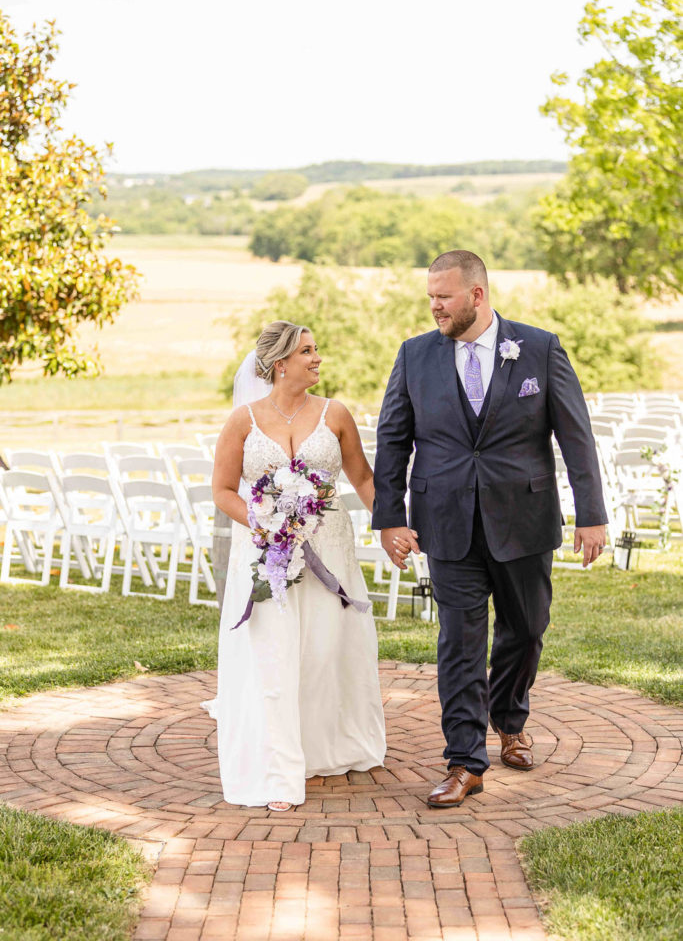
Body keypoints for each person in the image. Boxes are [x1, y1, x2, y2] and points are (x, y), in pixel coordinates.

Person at [372, 250, 607, 809]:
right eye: (430, 296)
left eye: (444, 296)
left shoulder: (540, 348)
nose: (434, 306)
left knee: (526, 629)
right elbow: (392, 440)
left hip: (524, 518)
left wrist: (591, 512)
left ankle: (509, 718)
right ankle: (464, 761)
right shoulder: (414, 356)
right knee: (459, 641)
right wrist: (389, 516)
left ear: (477, 295)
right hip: (446, 522)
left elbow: (576, 436)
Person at [210, 321, 386, 811]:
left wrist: (394, 526)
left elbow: (364, 478)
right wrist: (263, 523)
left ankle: (330, 744)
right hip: (267, 555)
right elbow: (223, 490)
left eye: (316, 348)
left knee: (326, 648)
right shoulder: (242, 421)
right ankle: (277, 767)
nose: (317, 359)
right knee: (274, 652)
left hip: (329, 546)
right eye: (307, 351)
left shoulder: (336, 414)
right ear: (279, 363)